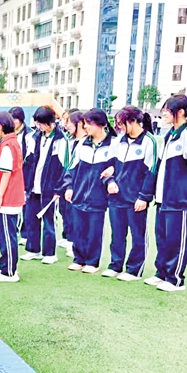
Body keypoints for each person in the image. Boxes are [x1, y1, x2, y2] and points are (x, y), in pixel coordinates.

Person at [147, 94, 187, 292]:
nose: (163, 114)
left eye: (167, 110)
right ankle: (162, 273)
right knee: (163, 237)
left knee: (177, 240)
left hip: (179, 198)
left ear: (181, 112)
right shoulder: (170, 135)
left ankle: (175, 279)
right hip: (163, 197)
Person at [104, 106, 158, 280]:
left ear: (133, 121)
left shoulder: (149, 141)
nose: (119, 127)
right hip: (116, 198)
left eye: (121, 124)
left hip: (136, 199)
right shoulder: (117, 141)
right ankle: (115, 265)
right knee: (117, 234)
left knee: (138, 236)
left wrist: (144, 197)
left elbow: (152, 172)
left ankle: (134, 270)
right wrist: (110, 182)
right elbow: (107, 167)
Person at [62, 108, 116, 274]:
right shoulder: (82, 143)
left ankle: (92, 262)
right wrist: (69, 187)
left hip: (98, 196)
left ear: (101, 124)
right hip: (79, 194)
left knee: (94, 230)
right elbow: (71, 168)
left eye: (88, 123)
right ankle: (79, 259)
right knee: (78, 228)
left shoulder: (114, 144)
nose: (85, 127)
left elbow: (116, 168)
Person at [22, 106, 71, 264]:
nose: (39, 126)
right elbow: (28, 161)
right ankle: (33, 249)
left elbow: (64, 166)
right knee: (31, 218)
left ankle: (50, 253)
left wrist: (59, 188)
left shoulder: (61, 140)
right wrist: (26, 184)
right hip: (33, 185)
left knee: (49, 220)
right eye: (37, 123)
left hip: (50, 187)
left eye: (42, 123)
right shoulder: (34, 137)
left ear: (51, 123)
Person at [0, 111, 25, 282]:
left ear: (0, 127)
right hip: (8, 196)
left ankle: (9, 271)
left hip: (8, 197)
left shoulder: (8, 145)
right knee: (2, 234)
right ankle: (5, 266)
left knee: (7, 235)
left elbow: (6, 173)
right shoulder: (9, 143)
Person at [58, 110, 86, 257]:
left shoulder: (86, 142)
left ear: (79, 123)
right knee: (68, 213)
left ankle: (78, 245)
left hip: (80, 186)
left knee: (79, 217)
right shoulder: (70, 140)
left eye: (69, 122)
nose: (66, 125)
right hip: (69, 183)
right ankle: (71, 240)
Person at [11, 106, 38, 245]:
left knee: (25, 204)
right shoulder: (8, 133)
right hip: (11, 172)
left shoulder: (30, 135)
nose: (13, 122)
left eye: (15, 119)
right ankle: (12, 230)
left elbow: (31, 157)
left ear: (21, 120)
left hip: (26, 173)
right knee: (11, 203)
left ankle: (25, 233)